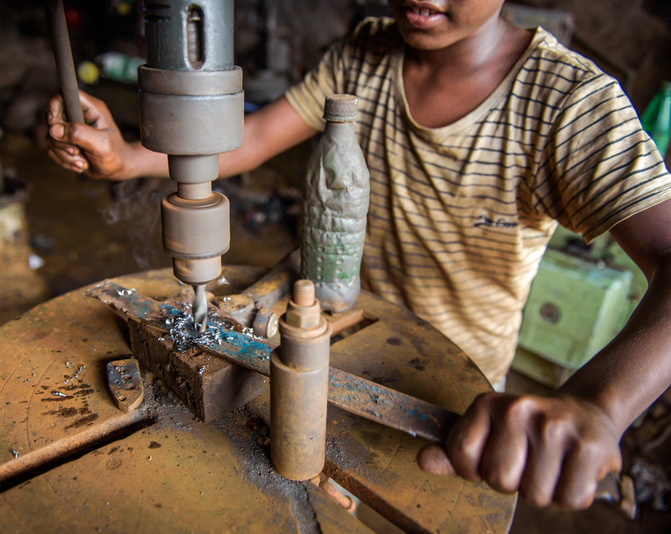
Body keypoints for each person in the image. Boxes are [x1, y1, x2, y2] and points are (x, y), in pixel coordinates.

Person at [46, 0, 671, 511]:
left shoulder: (565, 103)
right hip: (329, 339)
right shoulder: (362, 54)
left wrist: (599, 402)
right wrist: (128, 157)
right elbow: (255, 137)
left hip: (450, 389)